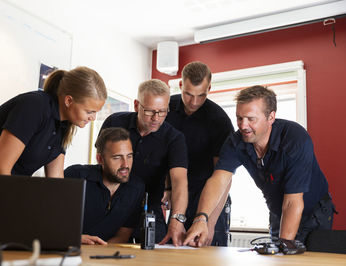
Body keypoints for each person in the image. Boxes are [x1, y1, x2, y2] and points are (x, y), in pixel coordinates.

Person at [184, 85, 336, 247]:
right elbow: (218, 180)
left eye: (251, 119)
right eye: (239, 118)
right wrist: (202, 219)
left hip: (314, 213)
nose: (243, 125)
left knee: (297, 259)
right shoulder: (236, 141)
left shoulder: (295, 139)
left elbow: (292, 201)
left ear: (271, 117)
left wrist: (285, 247)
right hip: (278, 212)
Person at [0, 66, 107, 204]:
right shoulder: (34, 106)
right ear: (68, 100)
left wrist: (70, 228)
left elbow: (56, 183)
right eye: (89, 111)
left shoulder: (63, 127)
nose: (92, 118)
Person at [100, 79, 188, 246]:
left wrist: (177, 219)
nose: (156, 118)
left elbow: (180, 181)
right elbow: (102, 164)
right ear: (136, 105)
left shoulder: (174, 138)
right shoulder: (114, 123)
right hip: (112, 205)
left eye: (162, 112)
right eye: (149, 111)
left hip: (149, 207)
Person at [165, 61, 234, 246]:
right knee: (173, 250)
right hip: (177, 194)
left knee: (207, 253)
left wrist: (209, 223)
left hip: (209, 198)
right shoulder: (165, 108)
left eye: (201, 95)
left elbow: (224, 178)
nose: (194, 102)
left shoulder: (220, 121)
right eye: (188, 94)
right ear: (180, 85)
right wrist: (167, 189)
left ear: (209, 88)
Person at [64, 127, 144, 244]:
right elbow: (50, 223)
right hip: (69, 249)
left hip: (106, 255)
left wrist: (100, 252)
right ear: (100, 159)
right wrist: (75, 239)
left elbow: (123, 236)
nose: (125, 164)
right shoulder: (75, 176)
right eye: (117, 157)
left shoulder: (137, 188)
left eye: (129, 156)